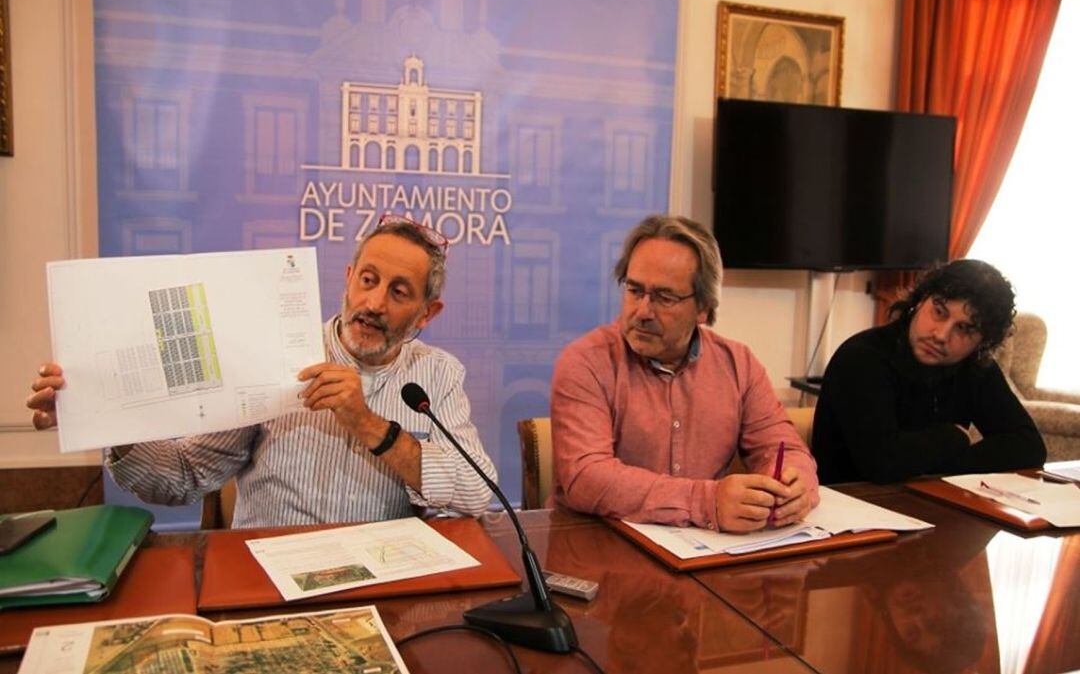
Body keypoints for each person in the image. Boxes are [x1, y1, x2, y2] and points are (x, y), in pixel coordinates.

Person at [27, 215, 495, 527]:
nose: (373, 304)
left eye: (398, 291)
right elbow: (185, 475)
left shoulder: (437, 375)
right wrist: (110, 418)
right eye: (369, 281)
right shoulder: (277, 352)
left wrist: (369, 425)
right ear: (349, 278)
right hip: (269, 580)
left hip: (382, 587)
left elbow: (476, 493)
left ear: (427, 313)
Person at [551, 214, 818, 532]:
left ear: (703, 307)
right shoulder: (586, 362)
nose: (643, 312)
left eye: (664, 298)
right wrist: (706, 502)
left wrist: (794, 484)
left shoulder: (738, 364)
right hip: (600, 547)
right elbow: (587, 478)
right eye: (635, 291)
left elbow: (782, 447)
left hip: (702, 550)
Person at [812, 259, 1046, 484]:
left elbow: (1028, 447)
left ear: (982, 342)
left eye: (964, 328)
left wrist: (939, 463)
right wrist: (953, 437)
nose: (941, 335)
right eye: (939, 312)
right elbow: (882, 463)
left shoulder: (975, 366)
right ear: (921, 300)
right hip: (853, 508)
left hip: (931, 505)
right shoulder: (863, 356)